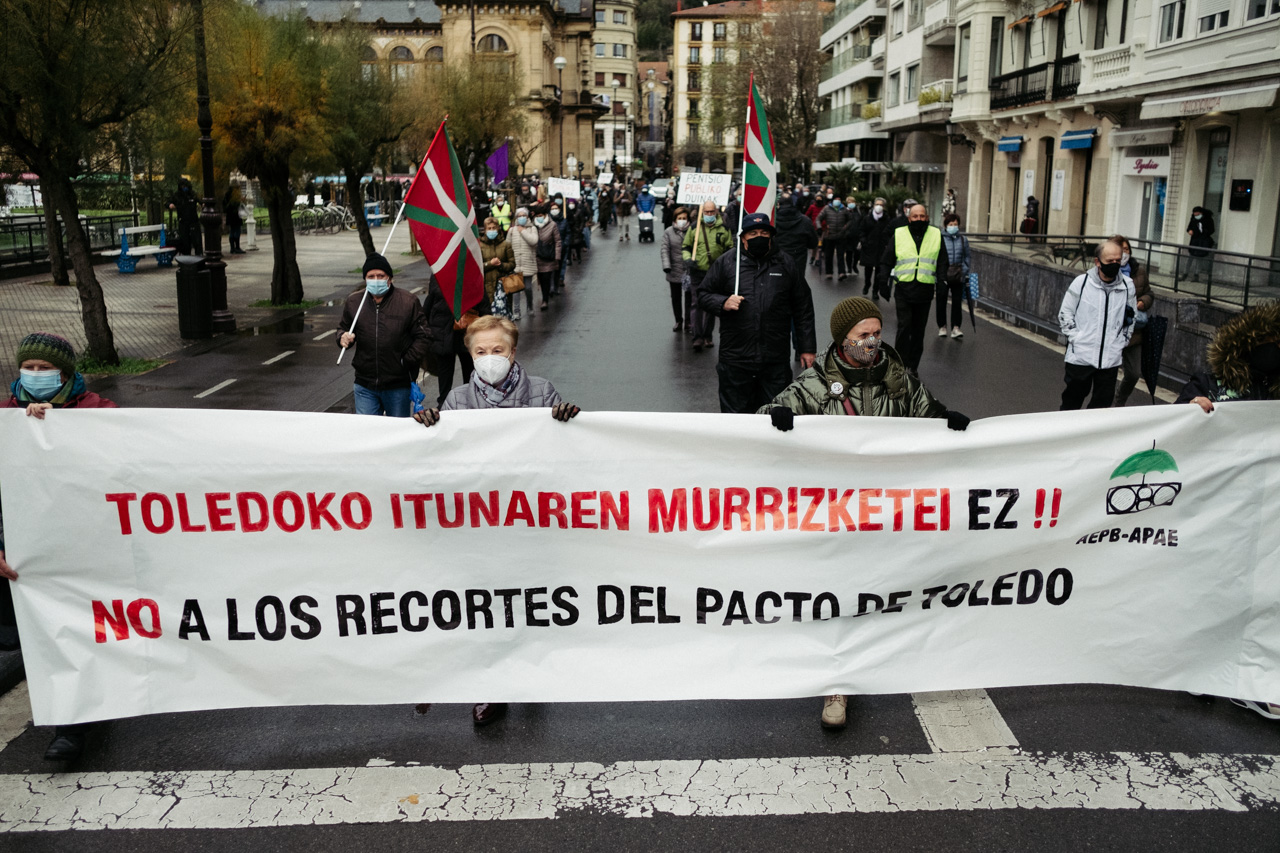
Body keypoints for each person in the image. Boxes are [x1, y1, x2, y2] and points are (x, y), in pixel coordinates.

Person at [757, 297, 969, 730]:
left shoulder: (899, 379)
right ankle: (839, 684)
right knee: (841, 596)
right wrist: (773, 416)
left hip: (887, 514)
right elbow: (763, 422)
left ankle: (897, 661)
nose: (872, 342)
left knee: (885, 592)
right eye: (862, 335)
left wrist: (949, 421)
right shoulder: (814, 384)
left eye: (876, 333)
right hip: (835, 516)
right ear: (842, 339)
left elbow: (929, 414)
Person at [413, 316, 580, 726]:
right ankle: (494, 688)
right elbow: (442, 465)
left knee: (527, 604)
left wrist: (568, 421)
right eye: (480, 352)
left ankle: (528, 673)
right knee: (487, 607)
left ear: (513, 352)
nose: (490, 359)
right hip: (482, 525)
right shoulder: (457, 400)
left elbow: (567, 455)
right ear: (470, 356)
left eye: (498, 350)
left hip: (530, 521)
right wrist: (427, 430)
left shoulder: (542, 392)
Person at [1, 332, 119, 761]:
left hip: (86, 545)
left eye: (44, 368)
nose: (35, 376)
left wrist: (66, 429)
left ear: (66, 374)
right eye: (28, 368)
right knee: (48, 635)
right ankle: (72, 723)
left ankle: (79, 721)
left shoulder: (95, 410)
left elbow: (123, 455)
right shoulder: (5, 420)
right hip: (27, 553)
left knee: (82, 631)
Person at [1176, 301, 1279, 721]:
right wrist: (1190, 410)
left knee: (1258, 592)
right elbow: (1170, 424)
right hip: (1215, 503)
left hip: (1264, 506)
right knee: (1211, 587)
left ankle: (1249, 679)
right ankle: (1198, 665)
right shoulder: (1214, 379)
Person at [695, 212, 817, 413]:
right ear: (743, 238)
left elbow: (803, 307)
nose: (758, 237)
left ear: (771, 237)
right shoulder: (727, 263)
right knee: (736, 420)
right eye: (752, 233)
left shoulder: (786, 264)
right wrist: (722, 302)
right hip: (735, 359)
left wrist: (807, 348)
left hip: (774, 359)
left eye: (763, 233)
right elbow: (703, 294)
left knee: (776, 416)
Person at [337, 253, 430, 417]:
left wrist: (406, 360)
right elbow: (343, 328)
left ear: (390, 278)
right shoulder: (354, 302)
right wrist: (342, 337)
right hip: (365, 384)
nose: (376, 279)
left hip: (397, 385)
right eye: (371, 276)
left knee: (396, 433)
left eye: (381, 275)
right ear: (365, 279)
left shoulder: (408, 302)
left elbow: (424, 336)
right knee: (368, 432)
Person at [1057, 239, 1137, 410]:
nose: (1115, 265)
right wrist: (1077, 339)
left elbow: (1131, 317)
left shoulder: (1127, 286)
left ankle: (1090, 435)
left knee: (1101, 407)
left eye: (1118, 260)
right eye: (1110, 261)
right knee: (1071, 403)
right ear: (1097, 262)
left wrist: (1121, 341)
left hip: (1110, 360)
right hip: (1080, 358)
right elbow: (1065, 314)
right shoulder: (1082, 283)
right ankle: (1066, 435)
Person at [879, 204, 949, 374]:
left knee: (919, 330)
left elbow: (942, 262)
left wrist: (941, 283)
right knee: (904, 327)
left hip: (924, 291)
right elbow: (886, 260)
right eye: (915, 217)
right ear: (909, 218)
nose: (919, 219)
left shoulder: (936, 234)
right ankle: (899, 364)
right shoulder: (899, 234)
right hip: (903, 289)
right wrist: (883, 281)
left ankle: (913, 365)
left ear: (927, 218)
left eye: (922, 216)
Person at [682, 200, 735, 351]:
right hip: (697, 271)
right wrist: (688, 259)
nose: (709, 215)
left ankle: (707, 335)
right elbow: (686, 247)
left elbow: (730, 249)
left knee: (711, 305)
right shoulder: (694, 228)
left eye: (712, 212)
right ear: (702, 212)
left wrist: (726, 266)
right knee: (696, 303)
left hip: (714, 273)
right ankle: (697, 336)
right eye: (707, 212)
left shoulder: (724, 229)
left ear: (716, 212)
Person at [1112, 235, 1156, 406]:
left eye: (1126, 250)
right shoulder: (1107, 271)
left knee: (1133, 373)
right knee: (1106, 373)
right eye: (1120, 250)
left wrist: (1142, 302)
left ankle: (1119, 401)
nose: (1124, 254)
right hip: (1113, 332)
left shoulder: (1139, 271)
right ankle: (1101, 406)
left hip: (1134, 332)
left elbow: (1149, 293)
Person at [937, 213, 972, 339]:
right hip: (943, 274)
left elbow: (967, 256)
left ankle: (956, 327)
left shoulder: (963, 239)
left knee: (957, 302)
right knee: (941, 301)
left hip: (958, 274)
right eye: (951, 224)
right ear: (946, 225)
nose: (953, 226)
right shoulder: (939, 238)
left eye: (955, 224)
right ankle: (942, 326)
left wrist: (965, 269)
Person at [661, 206, 692, 331]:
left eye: (684, 218)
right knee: (676, 298)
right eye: (680, 218)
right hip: (674, 269)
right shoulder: (668, 232)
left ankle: (689, 322)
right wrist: (667, 266)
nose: (682, 220)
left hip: (689, 269)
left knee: (689, 298)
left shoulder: (693, 231)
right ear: (675, 219)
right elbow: (664, 249)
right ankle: (678, 320)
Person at [772, 195, 819, 275]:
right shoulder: (805, 221)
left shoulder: (772, 221)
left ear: (778, 204)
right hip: (798, 260)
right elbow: (813, 243)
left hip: (777, 261)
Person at [479, 216, 516, 318]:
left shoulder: (506, 245)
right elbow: (477, 267)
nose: (492, 230)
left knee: (504, 315)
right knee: (488, 315)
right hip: (486, 285)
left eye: (493, 228)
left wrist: (501, 265)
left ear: (498, 229)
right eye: (489, 228)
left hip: (503, 285)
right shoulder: (480, 246)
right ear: (485, 230)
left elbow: (512, 264)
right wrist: (490, 264)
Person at [506, 207, 537, 321]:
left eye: (524, 215)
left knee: (528, 288)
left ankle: (530, 305)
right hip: (516, 264)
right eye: (519, 216)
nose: (522, 218)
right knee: (516, 291)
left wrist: (522, 231)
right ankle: (516, 311)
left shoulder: (532, 228)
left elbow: (534, 241)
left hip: (528, 263)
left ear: (527, 217)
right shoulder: (512, 230)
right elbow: (507, 246)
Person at [858, 196, 893, 300]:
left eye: (881, 205)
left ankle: (875, 291)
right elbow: (861, 231)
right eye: (877, 204)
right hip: (868, 248)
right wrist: (864, 241)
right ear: (873, 206)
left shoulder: (886, 219)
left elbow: (889, 232)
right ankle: (867, 284)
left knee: (879, 271)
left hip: (881, 249)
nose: (879, 207)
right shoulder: (867, 218)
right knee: (868, 269)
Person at [817, 195, 853, 280]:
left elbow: (850, 219)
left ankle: (841, 272)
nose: (838, 201)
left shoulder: (844, 209)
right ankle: (829, 272)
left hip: (841, 235)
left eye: (839, 199)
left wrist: (845, 227)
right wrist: (819, 228)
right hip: (829, 236)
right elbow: (818, 218)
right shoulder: (826, 209)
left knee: (840, 255)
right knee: (828, 255)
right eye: (836, 199)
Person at [533, 204, 561, 311]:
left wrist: (557, 256)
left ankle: (545, 300)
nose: (539, 217)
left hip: (548, 257)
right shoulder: (533, 225)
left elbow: (558, 241)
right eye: (537, 215)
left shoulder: (552, 225)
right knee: (540, 278)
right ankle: (545, 294)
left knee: (546, 278)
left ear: (545, 215)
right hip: (537, 257)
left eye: (541, 215)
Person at [167, 177, 202, 256]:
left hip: (193, 220)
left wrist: (202, 204)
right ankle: (186, 255)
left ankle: (198, 254)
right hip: (183, 221)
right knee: (185, 240)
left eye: (185, 186)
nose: (184, 188)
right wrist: (170, 205)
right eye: (182, 186)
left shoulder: (192, 194)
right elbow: (168, 202)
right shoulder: (177, 196)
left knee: (196, 240)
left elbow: (200, 200)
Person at [1184, 206, 1216, 281]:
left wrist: (1204, 233)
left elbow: (1212, 230)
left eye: (1197, 214)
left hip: (1203, 241)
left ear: (1201, 213)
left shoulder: (1208, 219)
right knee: (1190, 258)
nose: (1196, 216)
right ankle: (1185, 273)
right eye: (1194, 214)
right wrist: (1189, 230)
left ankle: (1196, 275)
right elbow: (1189, 227)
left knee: (1199, 258)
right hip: (1194, 241)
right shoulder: (1193, 219)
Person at [223, 185, 245, 255]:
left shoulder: (226, 196)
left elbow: (224, 206)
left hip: (229, 216)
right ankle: (237, 247)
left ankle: (232, 248)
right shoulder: (235, 197)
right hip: (236, 216)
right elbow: (237, 205)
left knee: (232, 231)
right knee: (237, 231)